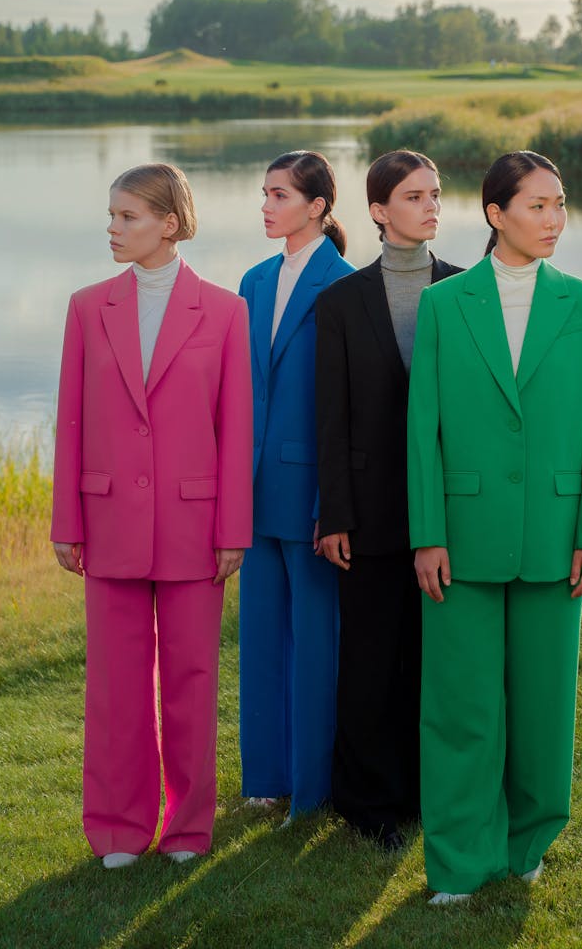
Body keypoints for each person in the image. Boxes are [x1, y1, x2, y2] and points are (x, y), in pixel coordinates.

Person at [407, 150, 582, 903]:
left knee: (542, 707)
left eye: (560, 204)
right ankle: (459, 860)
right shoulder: (444, 304)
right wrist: (426, 533)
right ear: (496, 214)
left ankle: (529, 840)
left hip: (558, 535)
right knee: (461, 706)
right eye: (538, 205)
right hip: (459, 535)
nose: (554, 218)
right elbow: (422, 429)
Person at [51, 162, 253, 869]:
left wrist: (233, 529)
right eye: (110, 215)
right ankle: (117, 826)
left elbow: (236, 430)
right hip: (107, 523)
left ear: (169, 223)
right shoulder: (86, 307)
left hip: (196, 527)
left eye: (127, 216)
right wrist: (66, 520)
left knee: (193, 680)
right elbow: (70, 423)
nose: (113, 228)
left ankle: (189, 827)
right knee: (115, 686)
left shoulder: (226, 311)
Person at [315, 150, 461, 850]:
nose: (431, 205)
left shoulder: (467, 290)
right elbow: (331, 418)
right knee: (370, 660)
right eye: (413, 195)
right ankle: (368, 803)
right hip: (368, 512)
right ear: (378, 211)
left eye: (435, 193)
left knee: (431, 659)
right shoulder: (340, 302)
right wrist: (334, 513)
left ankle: (425, 793)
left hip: (448, 511)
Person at [238, 150, 354, 822]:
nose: (266, 205)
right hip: (252, 491)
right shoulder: (254, 280)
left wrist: (328, 505)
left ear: (315, 206)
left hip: (312, 495)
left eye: (278, 194)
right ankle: (265, 776)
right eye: (263, 193)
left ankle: (313, 786)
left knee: (316, 644)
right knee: (259, 638)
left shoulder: (343, 283)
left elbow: (344, 407)